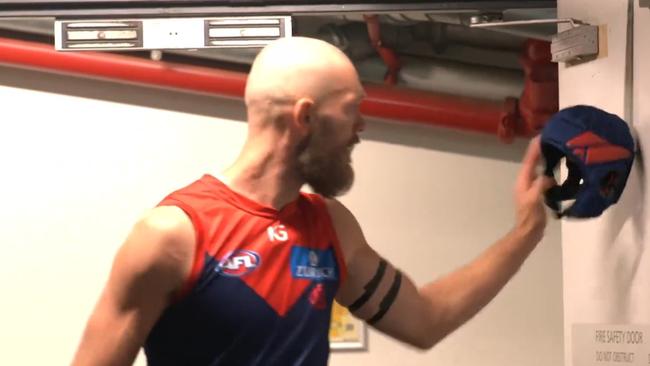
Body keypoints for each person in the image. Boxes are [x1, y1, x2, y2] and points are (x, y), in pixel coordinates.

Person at [71, 36, 554, 366]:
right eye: (352, 111)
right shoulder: (173, 235)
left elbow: (425, 319)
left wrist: (525, 232)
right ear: (304, 116)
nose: (361, 128)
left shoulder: (331, 226)